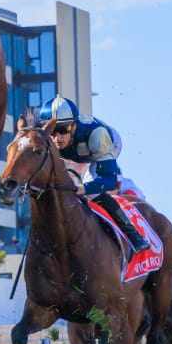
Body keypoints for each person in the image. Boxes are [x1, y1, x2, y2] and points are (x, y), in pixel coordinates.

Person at [38, 95, 147, 254]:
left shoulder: (98, 136)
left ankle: (134, 236)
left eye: (63, 130)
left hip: (104, 146)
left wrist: (82, 188)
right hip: (77, 152)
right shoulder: (46, 136)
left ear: (74, 126)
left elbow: (109, 181)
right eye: (52, 132)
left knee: (93, 191)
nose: (57, 138)